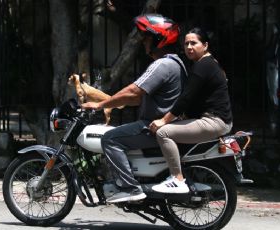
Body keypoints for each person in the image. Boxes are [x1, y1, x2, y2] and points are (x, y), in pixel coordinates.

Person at [81, 14, 187, 203]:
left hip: (153, 127)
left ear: (158, 39)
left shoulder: (162, 64)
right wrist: (116, 102)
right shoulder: (175, 63)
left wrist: (100, 104)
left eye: (147, 37)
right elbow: (136, 99)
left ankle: (129, 187)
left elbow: (134, 91)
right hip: (160, 125)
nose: (144, 42)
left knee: (110, 138)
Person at [149, 27, 233, 194]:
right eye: (186, 43)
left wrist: (164, 120)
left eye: (194, 43)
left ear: (205, 45)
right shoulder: (208, 64)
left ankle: (177, 179)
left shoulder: (203, 66)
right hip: (216, 120)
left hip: (213, 121)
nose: (189, 47)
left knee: (163, 133)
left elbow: (186, 98)